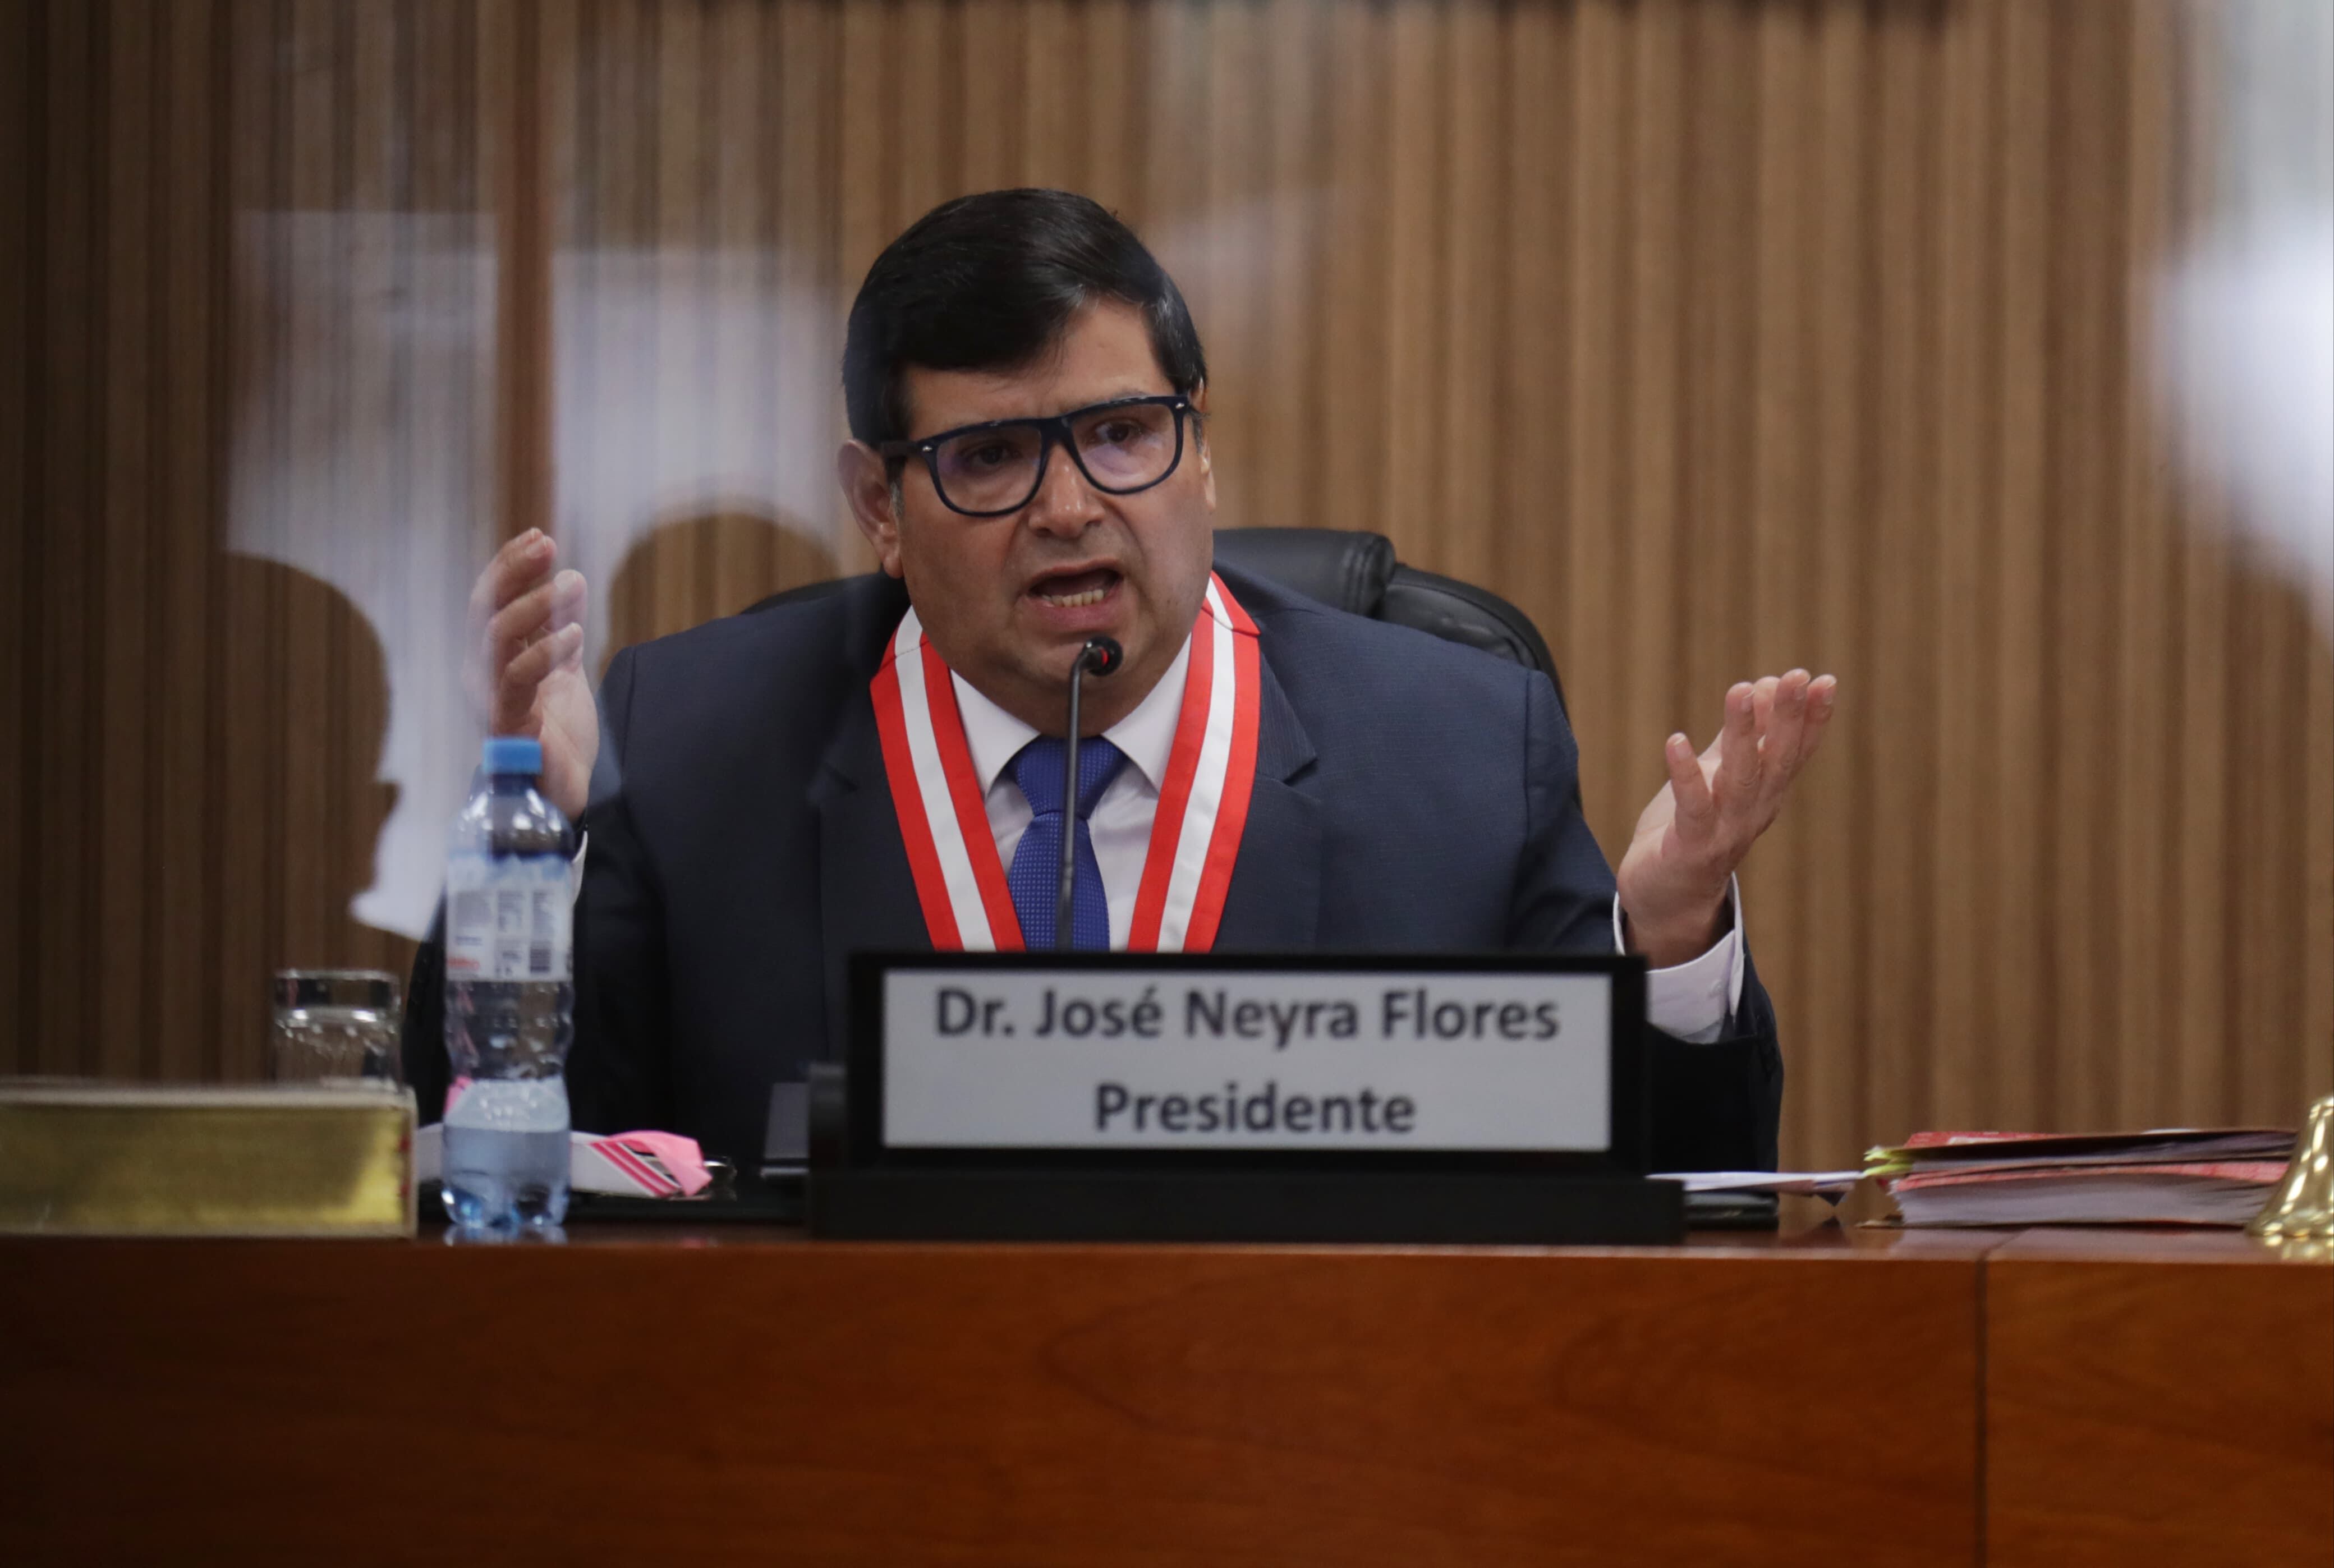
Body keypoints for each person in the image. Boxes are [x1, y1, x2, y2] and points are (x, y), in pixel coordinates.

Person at [406, 188, 1837, 1169]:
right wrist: (535, 851)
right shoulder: (697, 742)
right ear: (878, 506)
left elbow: (1665, 1220)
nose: (1071, 507)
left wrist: (1663, 947)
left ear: (1200, 446)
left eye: (1122, 434)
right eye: (987, 459)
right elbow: (499, 1191)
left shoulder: (1460, 751)